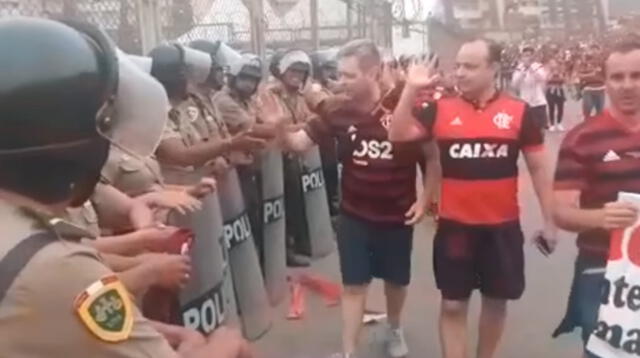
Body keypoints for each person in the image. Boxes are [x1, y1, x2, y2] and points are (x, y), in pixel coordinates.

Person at [0, 17, 251, 357]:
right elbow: (67, 288)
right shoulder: (58, 266)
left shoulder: (21, 227)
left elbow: (58, 312)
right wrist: (223, 344)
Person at [389, 38, 557, 358]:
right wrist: (410, 89)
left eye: (470, 66)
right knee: (452, 305)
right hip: (455, 227)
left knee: (495, 302)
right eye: (458, 66)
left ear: (493, 69)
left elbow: (538, 170)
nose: (460, 73)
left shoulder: (519, 112)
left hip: (502, 228)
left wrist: (550, 221)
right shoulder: (440, 109)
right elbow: (397, 134)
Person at [275, 39, 439, 358]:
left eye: (349, 76)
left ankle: (394, 329)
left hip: (396, 215)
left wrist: (426, 201)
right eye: (339, 75)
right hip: (354, 216)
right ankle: (348, 352)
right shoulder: (337, 110)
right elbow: (297, 144)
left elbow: (432, 159)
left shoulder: (405, 108)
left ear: (373, 72)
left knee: (395, 280)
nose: (341, 82)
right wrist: (280, 128)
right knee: (353, 285)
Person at [552, 35, 640, 358]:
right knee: (605, 354)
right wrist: (601, 217)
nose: (627, 85)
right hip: (602, 269)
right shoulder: (581, 139)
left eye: (637, 75)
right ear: (604, 82)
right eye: (618, 77)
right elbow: (561, 211)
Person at [512, 46, 549, 130]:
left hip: (538, 103)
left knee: (539, 130)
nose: (527, 58)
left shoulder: (538, 66)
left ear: (533, 56)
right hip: (524, 103)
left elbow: (542, 78)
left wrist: (531, 68)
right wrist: (523, 71)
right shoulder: (519, 68)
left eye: (529, 55)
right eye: (525, 56)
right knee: (526, 129)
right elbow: (514, 83)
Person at [578, 48, 606, 118]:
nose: (595, 53)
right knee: (587, 111)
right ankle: (587, 126)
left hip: (600, 89)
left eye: (596, 52)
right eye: (593, 51)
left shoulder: (602, 63)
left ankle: (598, 127)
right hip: (588, 90)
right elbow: (579, 76)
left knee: (600, 113)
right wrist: (591, 75)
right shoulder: (584, 64)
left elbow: (607, 75)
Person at [546, 58, 567, 131]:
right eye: (551, 63)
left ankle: (559, 123)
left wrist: (560, 75)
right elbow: (546, 80)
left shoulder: (560, 71)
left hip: (559, 91)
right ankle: (551, 124)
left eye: (554, 63)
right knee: (551, 108)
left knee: (560, 108)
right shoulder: (547, 72)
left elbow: (564, 80)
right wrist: (551, 74)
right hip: (551, 91)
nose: (553, 65)